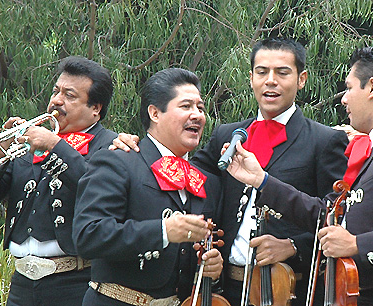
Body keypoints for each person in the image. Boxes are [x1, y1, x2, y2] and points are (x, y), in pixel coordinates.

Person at [113, 37, 349, 306]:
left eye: (282, 73)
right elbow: (180, 173)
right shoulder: (227, 134)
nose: (270, 80)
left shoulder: (325, 140)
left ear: (302, 78)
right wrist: (137, 147)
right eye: (262, 72)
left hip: (289, 288)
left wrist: (294, 246)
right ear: (251, 78)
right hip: (225, 291)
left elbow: (338, 217)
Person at [224, 46, 373, 306]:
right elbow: (328, 214)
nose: (343, 99)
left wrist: (356, 244)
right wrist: (261, 180)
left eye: (350, 88)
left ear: (372, 88)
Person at [0, 56, 118, 306]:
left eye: (70, 95)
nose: (57, 100)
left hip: (76, 284)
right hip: (22, 285)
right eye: (56, 91)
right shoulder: (29, 145)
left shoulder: (111, 146)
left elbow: (95, 190)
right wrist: (0, 153)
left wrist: (55, 146)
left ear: (96, 108)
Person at [72, 68, 224, 306]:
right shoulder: (117, 160)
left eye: (201, 108)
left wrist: (211, 268)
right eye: (186, 106)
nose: (197, 115)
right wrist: (163, 231)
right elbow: (88, 236)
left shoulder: (206, 181)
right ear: (154, 113)